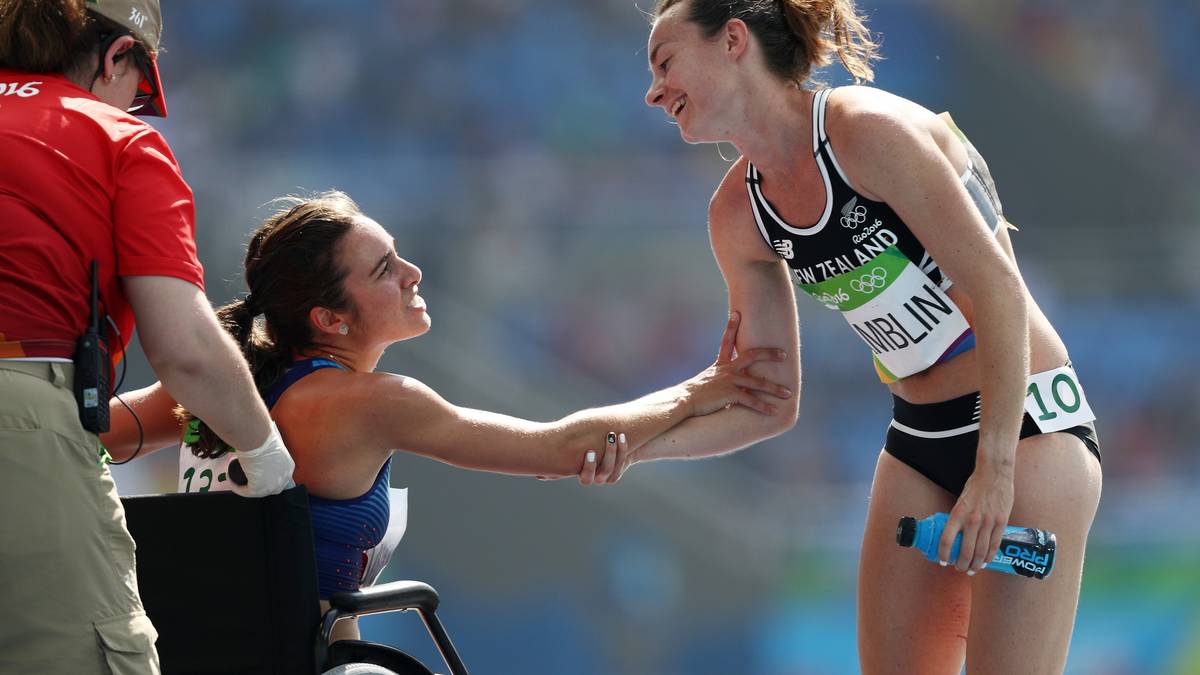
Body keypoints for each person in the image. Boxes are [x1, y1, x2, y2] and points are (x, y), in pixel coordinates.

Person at [633, 1, 1103, 673]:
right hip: (919, 437)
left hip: (1025, 424)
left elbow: (998, 290)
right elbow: (767, 401)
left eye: (665, 62)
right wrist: (632, 444)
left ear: (733, 40)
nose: (653, 93)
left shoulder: (867, 131)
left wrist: (995, 471)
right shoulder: (736, 213)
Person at [100, 190, 795, 642]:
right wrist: (701, 389)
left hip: (185, 651)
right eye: (384, 269)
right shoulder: (377, 403)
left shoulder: (219, 384)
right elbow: (560, 449)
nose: (413, 273)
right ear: (330, 318)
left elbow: (93, 432)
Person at [0, 1, 297, 671]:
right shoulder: (116, 139)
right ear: (115, 57)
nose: (133, 108)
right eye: (138, 92)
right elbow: (185, 352)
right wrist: (266, 454)